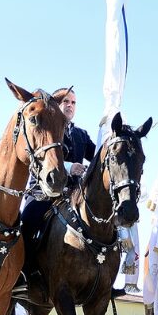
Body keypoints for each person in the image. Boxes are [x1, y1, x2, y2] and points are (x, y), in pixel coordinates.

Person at [20, 87, 96, 246]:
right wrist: (69, 168)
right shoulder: (44, 128)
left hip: (75, 195)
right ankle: (23, 269)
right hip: (43, 192)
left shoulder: (82, 134)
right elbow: (36, 159)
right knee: (26, 224)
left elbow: (98, 160)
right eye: (66, 101)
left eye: (73, 102)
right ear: (55, 105)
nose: (70, 105)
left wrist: (110, 135)